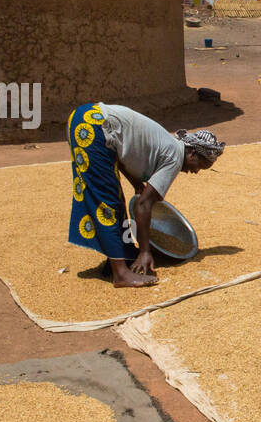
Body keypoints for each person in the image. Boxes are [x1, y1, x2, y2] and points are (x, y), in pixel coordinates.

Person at [66, 103, 223, 287]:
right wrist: (145, 251)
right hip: (94, 126)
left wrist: (135, 183)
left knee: (115, 199)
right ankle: (121, 274)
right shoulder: (174, 157)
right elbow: (143, 205)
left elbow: (122, 157)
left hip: (85, 119)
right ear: (192, 153)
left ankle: (120, 258)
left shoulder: (168, 145)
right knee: (106, 203)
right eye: (200, 166)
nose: (196, 171)